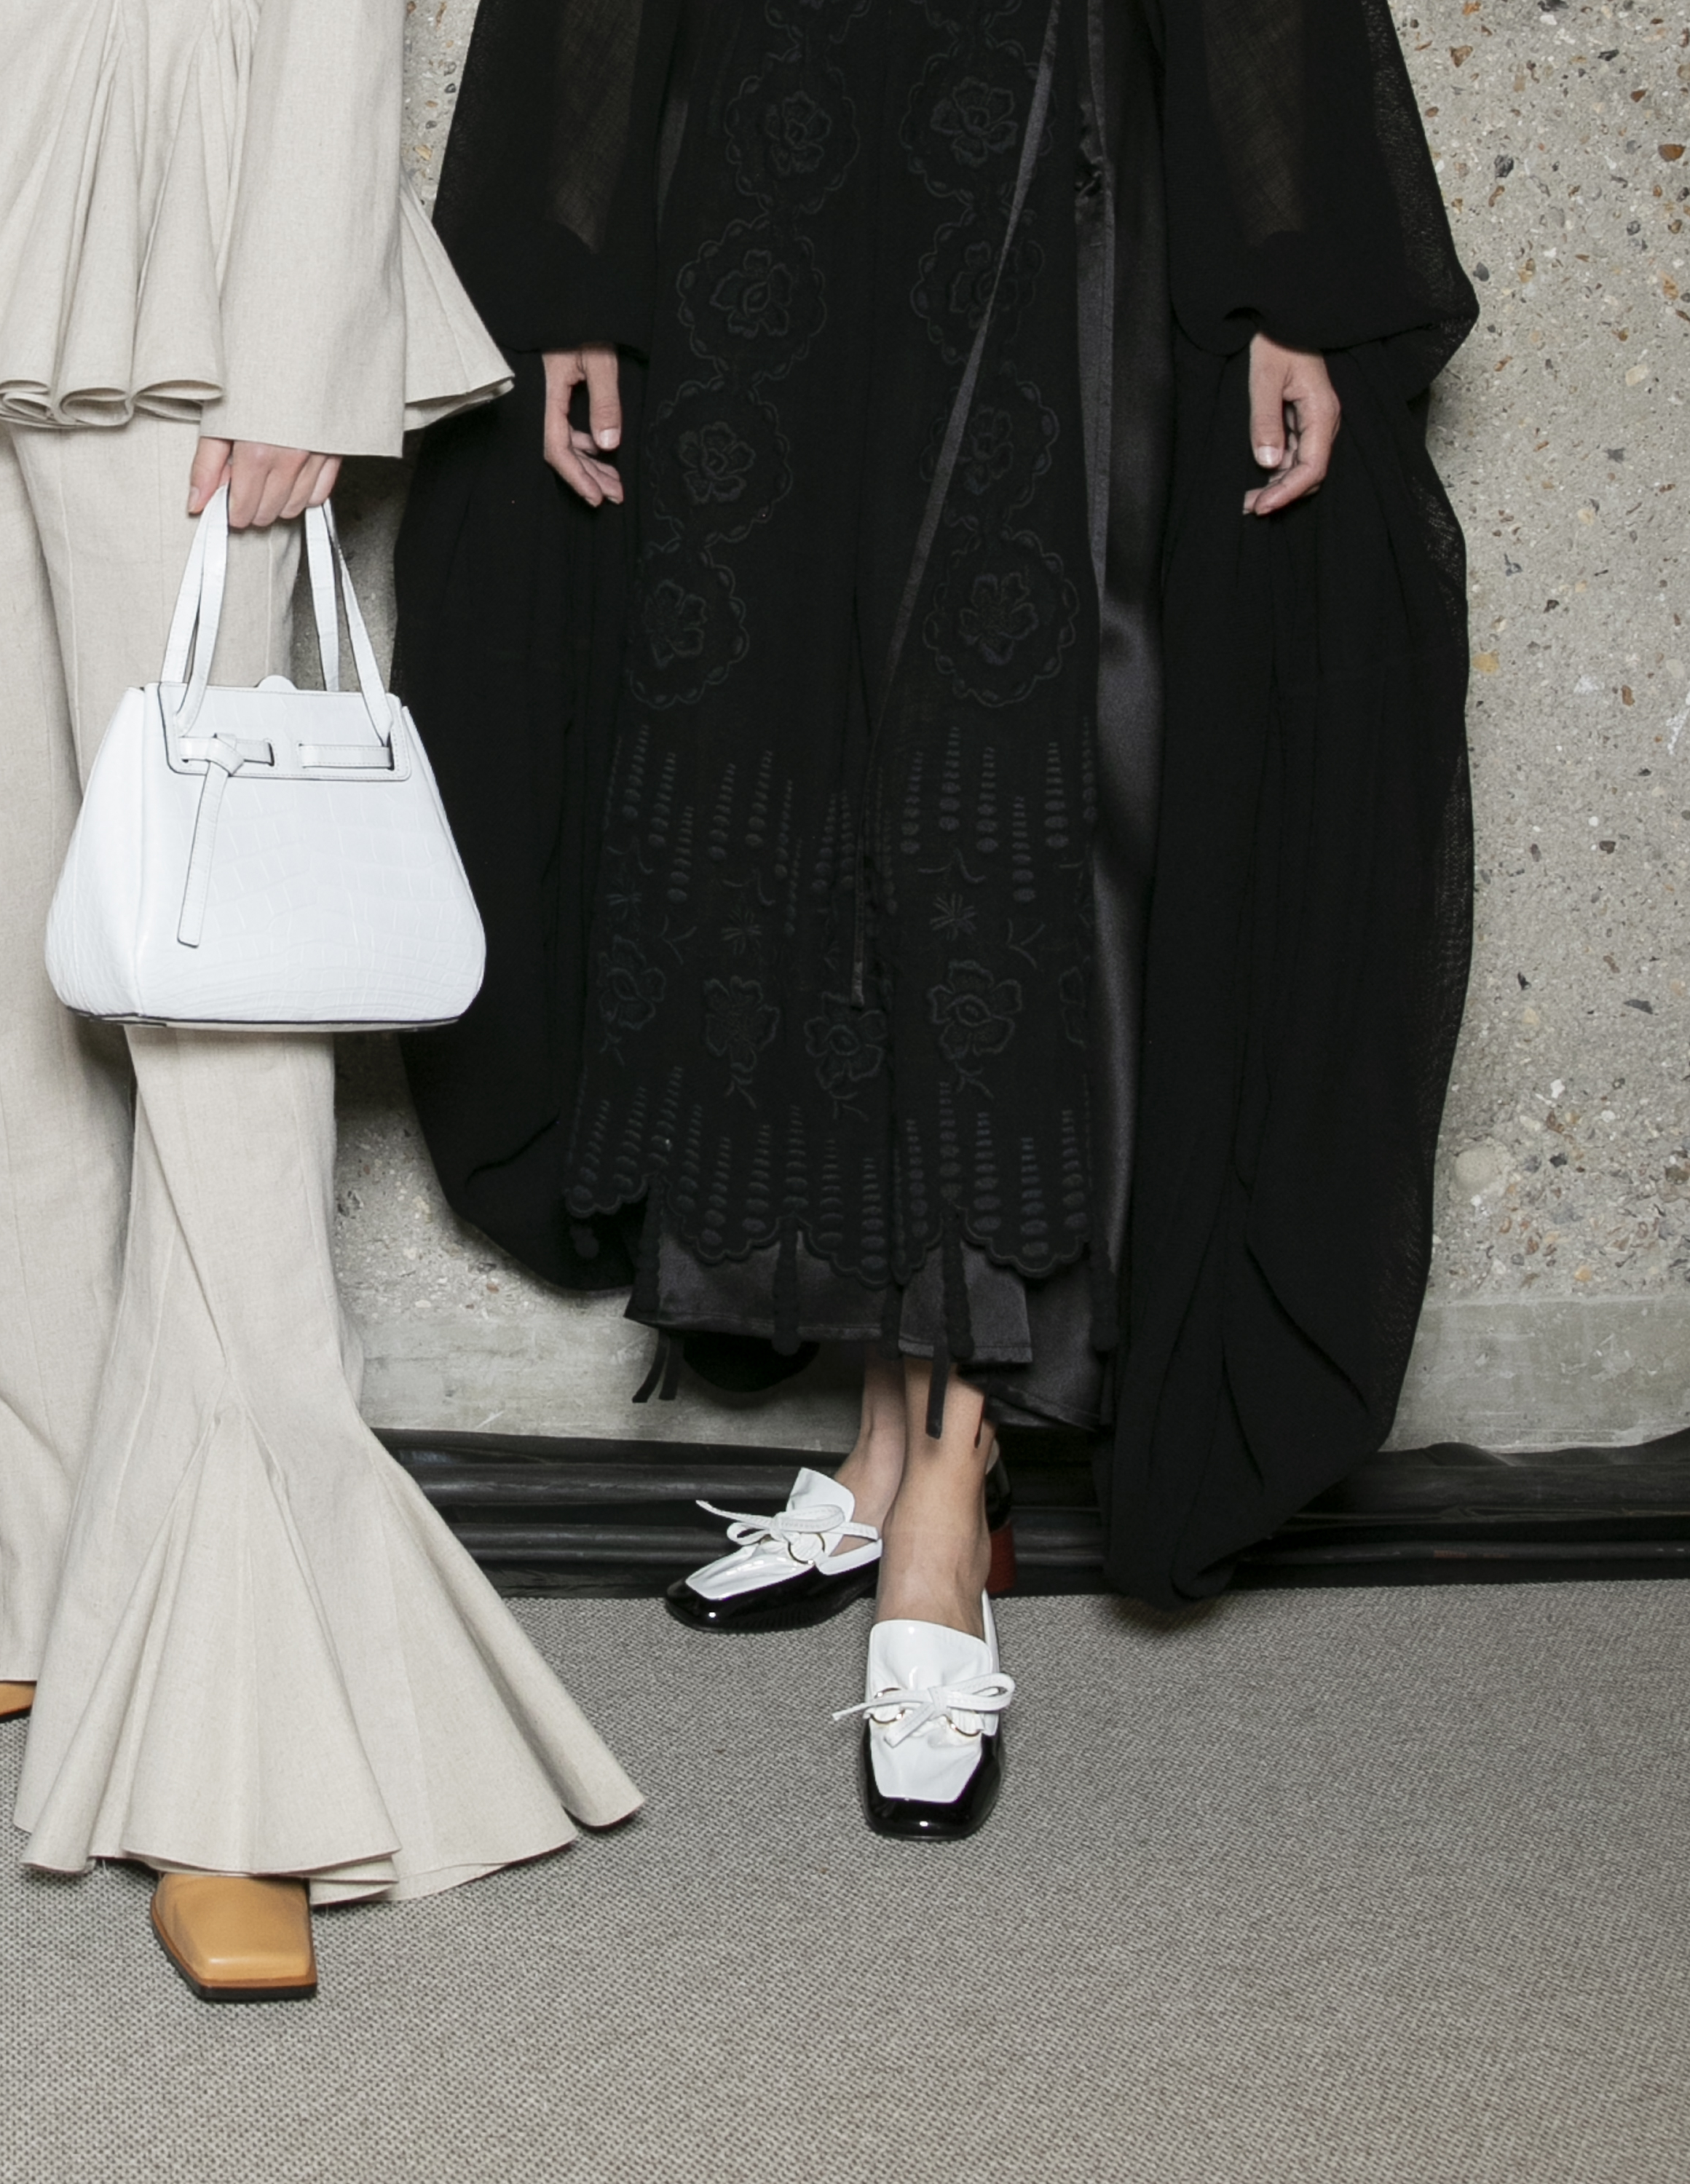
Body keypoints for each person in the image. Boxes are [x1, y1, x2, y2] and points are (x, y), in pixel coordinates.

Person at [403, 0, 1473, 1833]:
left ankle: (948, 1496)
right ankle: (885, 1443)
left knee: (977, 814)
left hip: (1040, 162)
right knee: (791, 783)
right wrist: (570, 254)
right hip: (772, 166)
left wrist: (1291, 264)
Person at [0, 0, 644, 1998]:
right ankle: (14, 1566)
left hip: (182, 239)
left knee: (214, 979)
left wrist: (299, 341)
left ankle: (259, 1737)